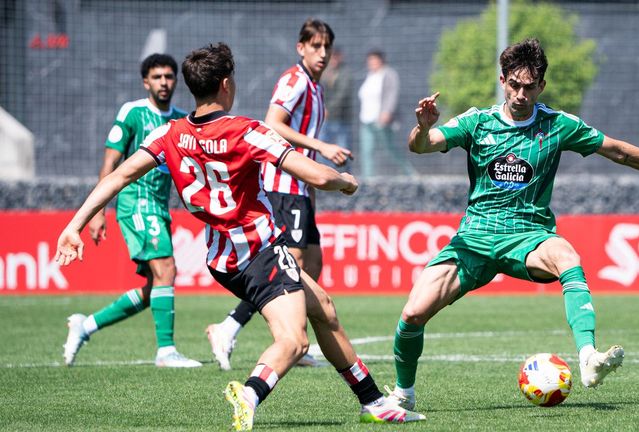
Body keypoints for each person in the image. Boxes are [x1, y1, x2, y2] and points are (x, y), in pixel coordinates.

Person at [54, 43, 425, 429]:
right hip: (260, 251)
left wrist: (74, 225)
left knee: (324, 309)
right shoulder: (246, 131)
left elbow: (117, 176)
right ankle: (249, 393)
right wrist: (345, 182)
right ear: (226, 85)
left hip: (222, 259)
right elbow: (315, 174)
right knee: (294, 341)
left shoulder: (170, 134)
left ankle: (374, 402)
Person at [385, 38, 639, 410]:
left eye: (529, 87)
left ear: (541, 86)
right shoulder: (477, 122)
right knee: (412, 313)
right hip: (475, 239)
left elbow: (618, 150)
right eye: (514, 84)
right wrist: (422, 127)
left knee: (567, 256)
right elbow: (422, 146)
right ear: (502, 80)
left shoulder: (557, 126)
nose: (520, 94)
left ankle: (589, 357)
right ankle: (403, 396)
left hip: (529, 235)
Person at [205, 19, 351, 370]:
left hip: (300, 189)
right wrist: (322, 146)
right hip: (282, 185)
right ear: (300, 48)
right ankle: (228, 327)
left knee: (312, 263)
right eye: (315, 46)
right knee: (292, 264)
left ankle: (292, 336)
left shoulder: (315, 87)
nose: (322, 53)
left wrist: (312, 190)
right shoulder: (294, 80)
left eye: (327, 47)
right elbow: (273, 123)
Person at [62, 53, 201, 368]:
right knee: (166, 268)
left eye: (168, 76)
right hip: (135, 201)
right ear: (145, 81)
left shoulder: (180, 120)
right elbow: (110, 164)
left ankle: (87, 325)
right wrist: (98, 212)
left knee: (155, 285)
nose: (164, 82)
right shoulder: (134, 113)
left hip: (159, 205)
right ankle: (166, 352)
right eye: (157, 77)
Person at [357, 50, 413, 177]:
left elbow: (392, 94)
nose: (372, 63)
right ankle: (368, 177)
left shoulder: (388, 74)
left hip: (381, 119)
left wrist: (387, 111)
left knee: (390, 148)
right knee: (367, 150)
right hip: (366, 119)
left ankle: (408, 172)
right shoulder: (369, 76)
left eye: (375, 60)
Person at [318, 48, 353, 171]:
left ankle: (344, 173)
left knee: (343, 146)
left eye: (335, 56)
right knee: (322, 145)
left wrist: (328, 109)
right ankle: (326, 172)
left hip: (341, 118)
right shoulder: (324, 72)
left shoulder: (345, 73)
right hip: (325, 118)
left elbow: (342, 94)